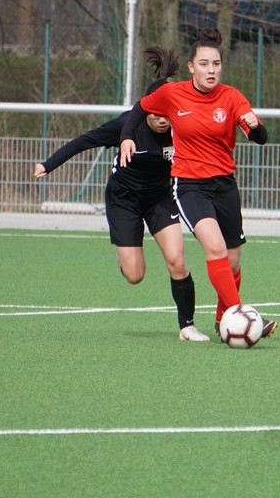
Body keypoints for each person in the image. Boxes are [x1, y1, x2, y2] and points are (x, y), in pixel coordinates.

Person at [35, 47, 210, 342]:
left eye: (167, 114)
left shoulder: (181, 127)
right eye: (156, 114)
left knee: (177, 260)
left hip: (159, 197)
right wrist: (48, 164)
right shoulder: (128, 125)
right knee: (135, 275)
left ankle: (187, 326)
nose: (163, 120)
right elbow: (85, 140)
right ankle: (124, 255)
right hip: (124, 199)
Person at [119, 28, 276, 338]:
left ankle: (222, 320)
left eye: (216, 64)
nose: (211, 70)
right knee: (215, 248)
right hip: (190, 185)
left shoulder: (232, 97)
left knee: (232, 261)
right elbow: (140, 108)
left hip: (225, 185)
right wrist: (126, 137)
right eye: (204, 64)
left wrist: (256, 127)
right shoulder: (172, 93)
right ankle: (242, 317)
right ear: (191, 67)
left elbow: (260, 137)